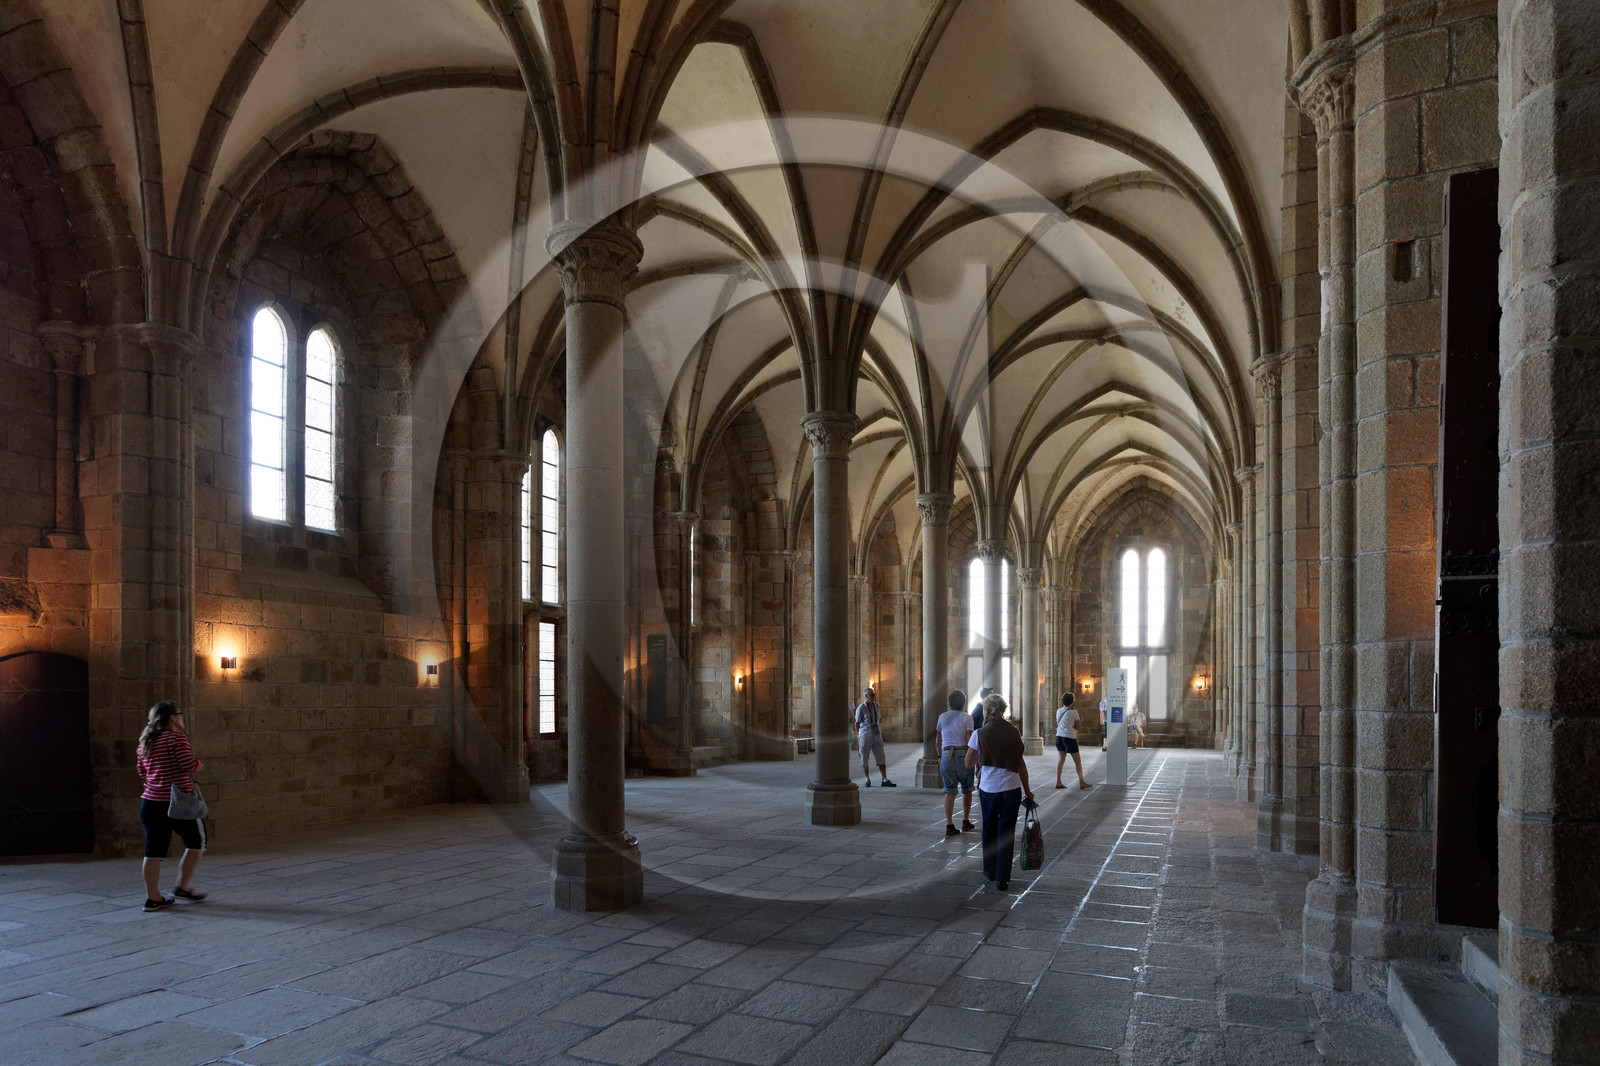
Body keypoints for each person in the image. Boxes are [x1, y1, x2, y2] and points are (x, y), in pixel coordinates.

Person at [135, 701, 208, 912]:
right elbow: (188, 764)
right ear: (172, 718)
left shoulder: (145, 741)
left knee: (153, 852)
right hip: (177, 803)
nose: (182, 717)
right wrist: (199, 765)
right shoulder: (176, 738)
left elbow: (142, 772)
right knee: (197, 842)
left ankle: (153, 898)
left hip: (150, 803)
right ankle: (182, 887)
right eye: (180, 714)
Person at [966, 693, 1034, 891]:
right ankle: (1003, 878)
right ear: (1003, 711)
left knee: (989, 830)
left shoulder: (979, 734)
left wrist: (982, 758)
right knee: (1006, 833)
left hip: (989, 789)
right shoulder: (1014, 732)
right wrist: (1028, 790)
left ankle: (990, 870)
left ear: (986, 711)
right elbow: (1021, 764)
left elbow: (968, 762)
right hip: (1011, 789)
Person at [936, 689, 976, 835]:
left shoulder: (942, 717)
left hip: (946, 754)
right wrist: (975, 759)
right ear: (963, 703)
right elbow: (970, 739)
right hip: (963, 754)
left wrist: (940, 756)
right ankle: (965, 821)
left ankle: (949, 825)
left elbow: (938, 740)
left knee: (949, 791)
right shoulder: (967, 717)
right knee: (967, 789)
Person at [855, 687, 895, 787]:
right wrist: (859, 737)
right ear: (866, 696)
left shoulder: (877, 706)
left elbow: (878, 719)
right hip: (865, 733)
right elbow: (857, 723)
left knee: (881, 755)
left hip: (876, 733)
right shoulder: (861, 708)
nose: (874, 696)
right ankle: (867, 778)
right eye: (871, 695)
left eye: (874, 694)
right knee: (864, 755)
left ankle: (884, 779)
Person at [1054, 692, 1090, 789]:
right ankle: (1082, 782)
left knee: (1061, 760)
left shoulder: (1058, 711)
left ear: (1062, 701)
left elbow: (1059, 723)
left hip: (1059, 737)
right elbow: (1078, 727)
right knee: (1077, 761)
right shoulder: (1074, 712)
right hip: (1069, 738)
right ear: (1072, 702)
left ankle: (1058, 781)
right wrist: (1073, 726)